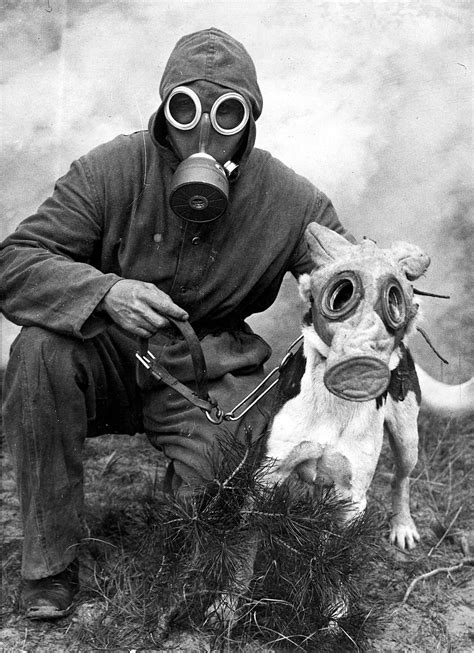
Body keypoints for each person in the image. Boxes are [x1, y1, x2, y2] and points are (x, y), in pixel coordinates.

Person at [0, 28, 352, 619]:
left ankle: (177, 507)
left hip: (207, 375)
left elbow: (347, 277)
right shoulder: (110, 169)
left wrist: (373, 286)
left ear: (251, 120)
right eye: (185, 109)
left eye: (228, 113)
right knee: (38, 351)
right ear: (164, 110)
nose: (205, 132)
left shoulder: (288, 199)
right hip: (112, 355)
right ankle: (48, 564)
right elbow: (14, 262)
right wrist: (105, 292)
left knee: (221, 496)